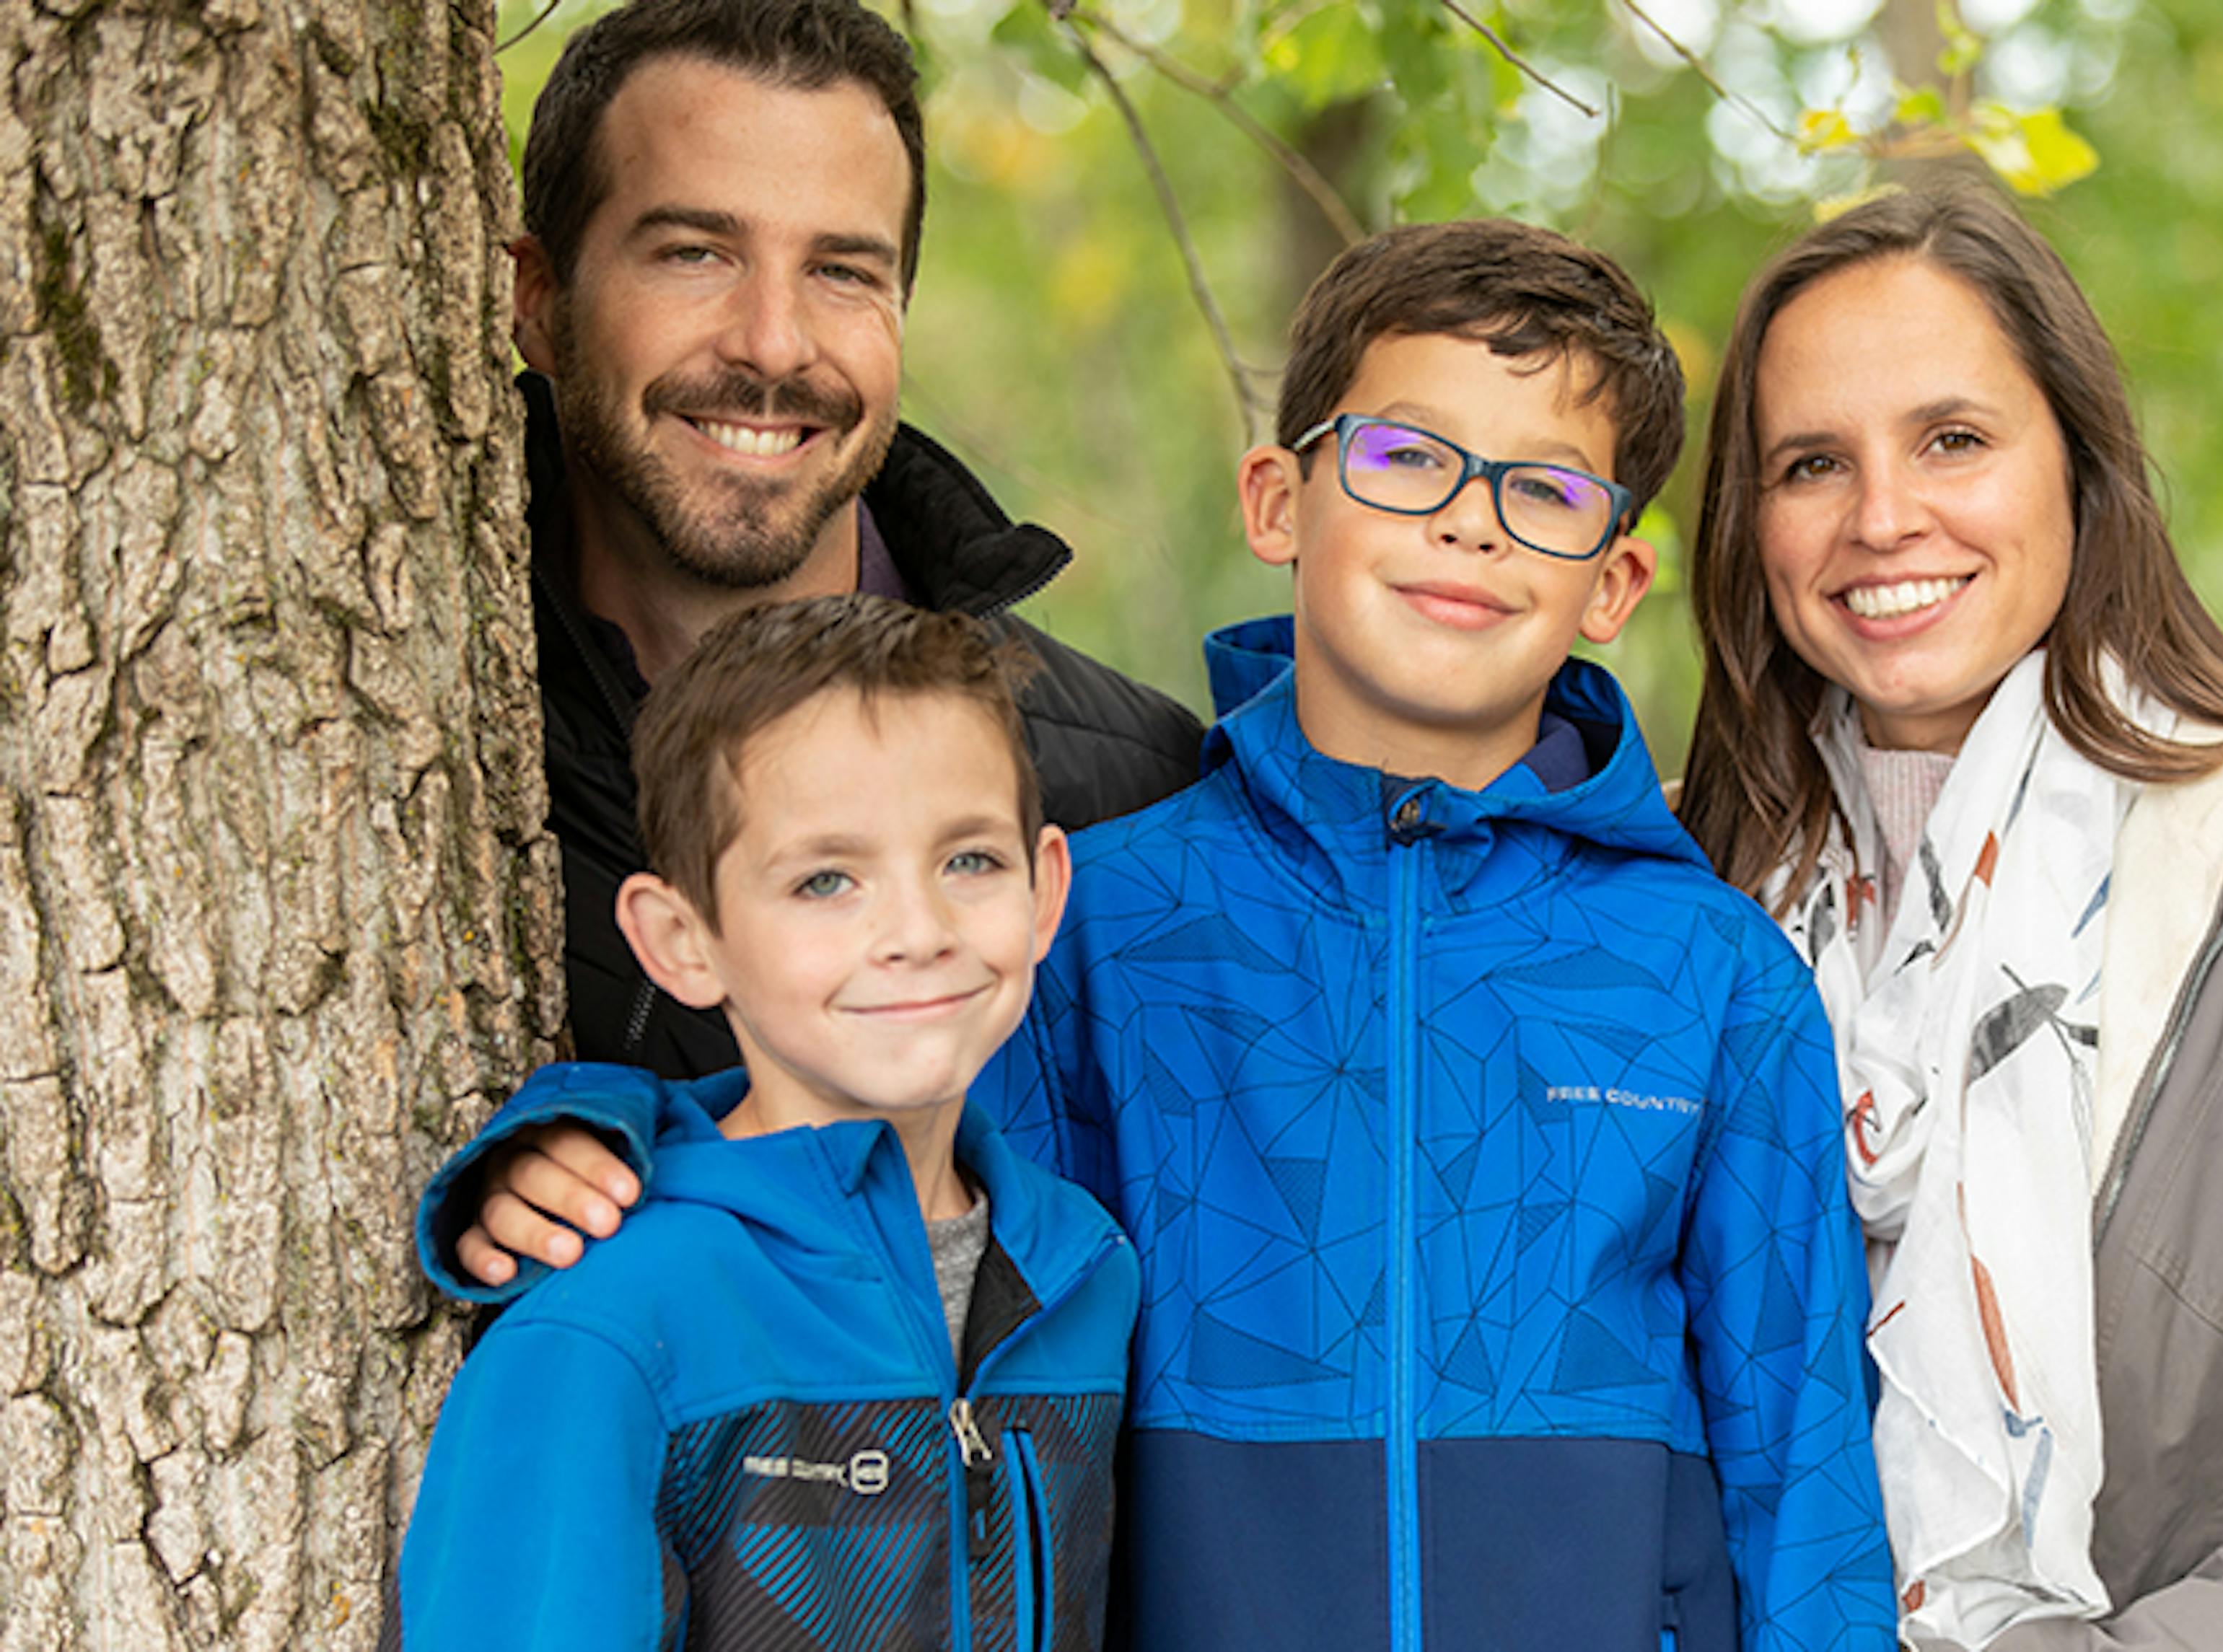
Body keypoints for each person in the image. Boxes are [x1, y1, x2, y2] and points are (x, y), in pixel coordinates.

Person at [430, 219, 1899, 1652]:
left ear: (1614, 581)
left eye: (1548, 493)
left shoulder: (1711, 974)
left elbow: (1805, 1465)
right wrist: (603, 1121)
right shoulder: (1107, 918)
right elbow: (887, 1191)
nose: (1469, 518)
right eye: (1405, 457)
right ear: (1277, 500)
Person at [1673, 183, 2223, 1650]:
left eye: (1953, 439)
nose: (1884, 515)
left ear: (2078, 466)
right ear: (1750, 523)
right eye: (1811, 463)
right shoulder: (1675, 906)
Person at [391, 597, 1137, 1651]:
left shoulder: (1082, 1271)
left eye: (969, 860)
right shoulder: (616, 1320)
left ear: (1045, 888)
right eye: (826, 880)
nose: (917, 932)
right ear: (684, 939)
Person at [510, 0, 1202, 1084]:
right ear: (542, 302)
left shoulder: (1138, 795)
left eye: (841, 271)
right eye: (695, 253)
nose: (774, 343)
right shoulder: (398, 729)